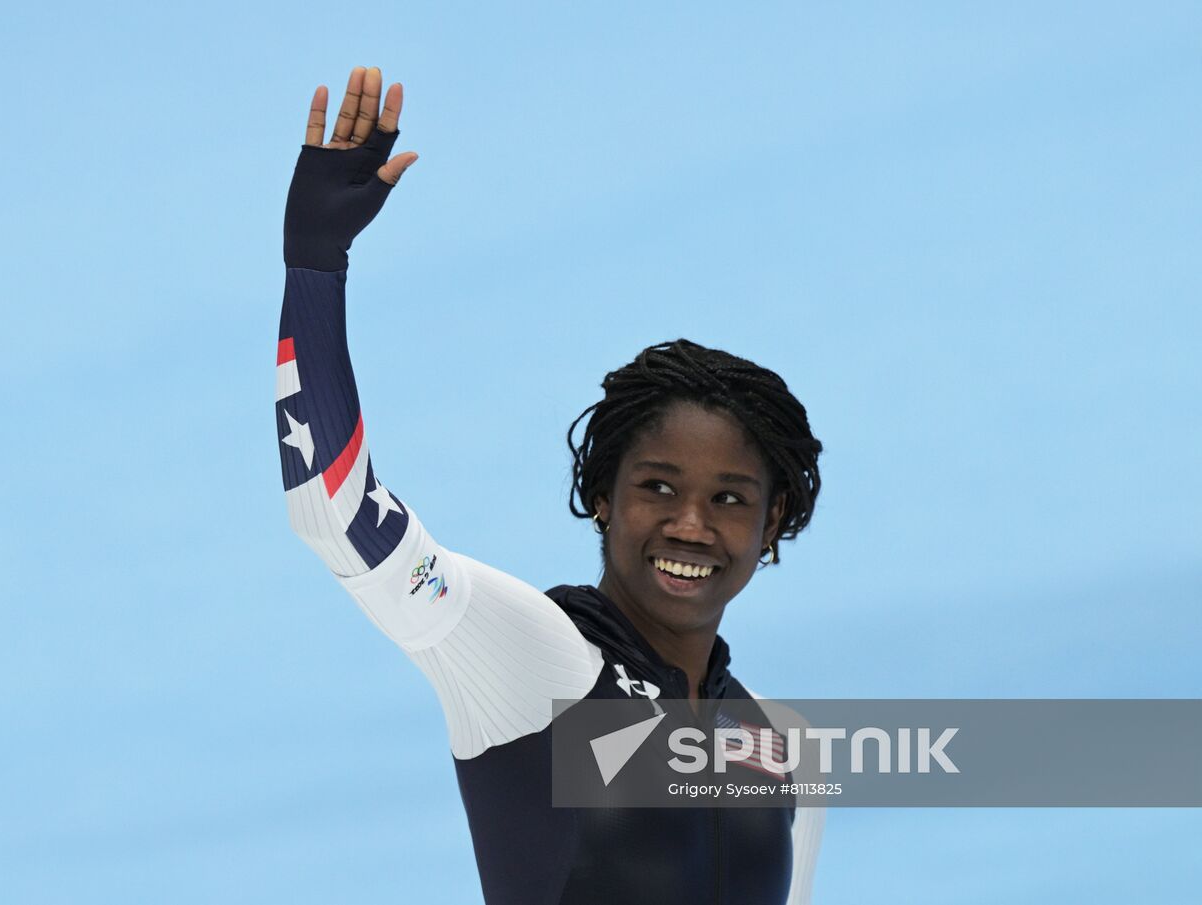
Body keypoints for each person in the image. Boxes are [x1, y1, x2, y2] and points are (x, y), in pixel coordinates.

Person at [277, 65, 826, 905]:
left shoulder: (780, 749)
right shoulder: (539, 664)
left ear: (773, 520)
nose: (689, 524)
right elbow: (338, 515)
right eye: (657, 487)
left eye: (728, 498)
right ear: (602, 494)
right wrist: (316, 267)